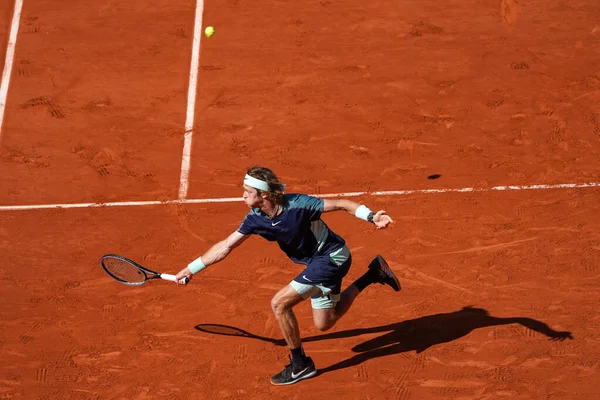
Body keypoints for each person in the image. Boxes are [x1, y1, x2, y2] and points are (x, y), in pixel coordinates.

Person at [175, 166, 401, 385]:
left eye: (247, 192)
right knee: (325, 323)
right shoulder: (255, 218)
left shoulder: (299, 205)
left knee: (279, 304)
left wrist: (371, 217)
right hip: (316, 265)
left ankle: (300, 364)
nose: (242, 196)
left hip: (332, 257)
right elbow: (225, 246)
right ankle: (374, 273)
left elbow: (342, 204)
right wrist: (190, 269)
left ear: (263, 194)